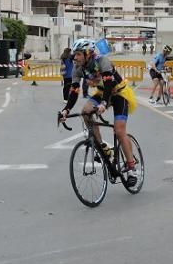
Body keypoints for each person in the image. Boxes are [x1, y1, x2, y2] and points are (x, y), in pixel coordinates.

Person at [59, 39, 139, 185]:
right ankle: (102, 147)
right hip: (103, 92)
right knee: (85, 112)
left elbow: (109, 83)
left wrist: (103, 104)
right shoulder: (78, 68)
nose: (75, 58)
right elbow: (74, 91)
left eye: (78, 54)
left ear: (88, 53)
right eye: (74, 55)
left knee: (119, 131)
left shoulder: (102, 61)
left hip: (119, 93)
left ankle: (132, 167)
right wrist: (66, 110)